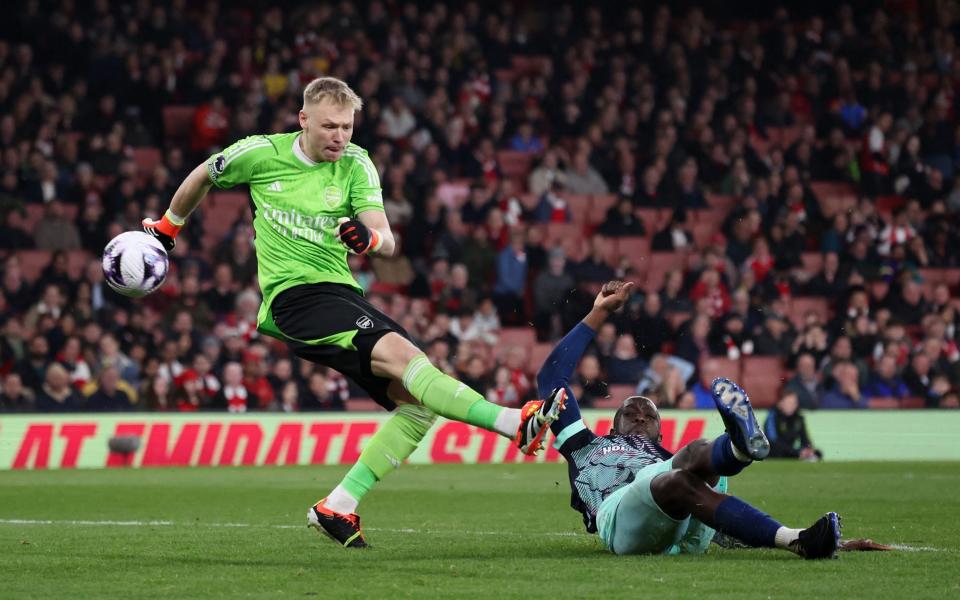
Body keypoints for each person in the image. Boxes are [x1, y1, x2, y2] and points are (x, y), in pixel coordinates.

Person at [143, 77, 561, 548]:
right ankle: (513, 422)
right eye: (329, 127)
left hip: (341, 295)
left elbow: (387, 240)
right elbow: (203, 174)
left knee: (417, 406)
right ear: (303, 120)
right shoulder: (259, 153)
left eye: (346, 126)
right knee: (407, 358)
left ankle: (338, 505)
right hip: (293, 299)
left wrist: (369, 241)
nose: (339, 136)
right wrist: (166, 228)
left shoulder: (357, 163)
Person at [537, 281, 841, 558]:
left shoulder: (664, 456)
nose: (641, 418)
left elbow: (723, 521)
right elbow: (550, 376)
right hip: (618, 519)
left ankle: (741, 452)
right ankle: (791, 533)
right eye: (630, 414)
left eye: (649, 417)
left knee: (695, 456)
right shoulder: (584, 445)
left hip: (681, 518)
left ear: (660, 436)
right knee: (681, 478)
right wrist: (598, 312)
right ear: (613, 428)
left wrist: (836, 540)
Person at [763, 391, 822, 461]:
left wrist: (808, 450)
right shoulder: (773, 416)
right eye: (788, 403)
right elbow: (773, 441)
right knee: (776, 450)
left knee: (818, 453)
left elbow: (804, 438)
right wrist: (796, 452)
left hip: (791, 452)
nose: (791, 406)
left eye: (794, 403)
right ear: (781, 403)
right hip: (775, 453)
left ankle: (807, 457)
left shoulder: (798, 418)